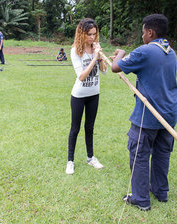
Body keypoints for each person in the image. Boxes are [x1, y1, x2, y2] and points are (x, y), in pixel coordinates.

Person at [110, 14, 177, 211]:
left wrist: (121, 53)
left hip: (148, 116)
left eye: (143, 33)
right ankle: (160, 191)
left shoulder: (145, 51)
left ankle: (140, 199)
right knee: (162, 153)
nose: (142, 37)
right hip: (169, 115)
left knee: (139, 154)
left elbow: (115, 67)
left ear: (150, 32)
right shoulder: (170, 51)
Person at [66, 18, 108, 175]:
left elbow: (104, 71)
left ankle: (90, 158)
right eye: (89, 34)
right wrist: (94, 58)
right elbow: (81, 76)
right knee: (75, 129)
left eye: (94, 34)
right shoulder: (75, 51)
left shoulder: (96, 49)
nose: (92, 38)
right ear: (81, 34)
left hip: (94, 95)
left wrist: (100, 56)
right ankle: (70, 161)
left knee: (89, 127)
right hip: (79, 96)